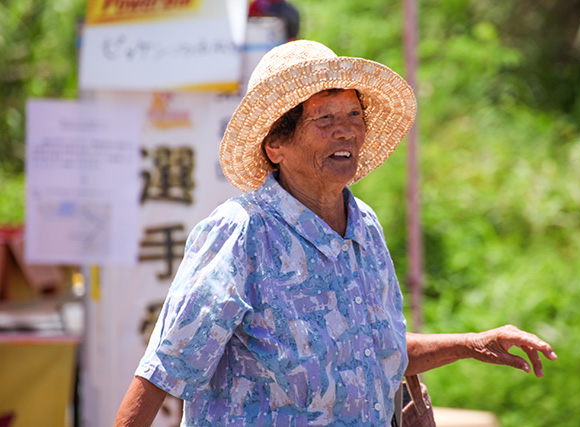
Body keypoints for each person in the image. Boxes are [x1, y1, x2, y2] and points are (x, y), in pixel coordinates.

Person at [114, 40, 556, 426]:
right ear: (276, 145)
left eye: (353, 113)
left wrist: (474, 344)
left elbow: (372, 350)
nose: (346, 128)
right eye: (323, 117)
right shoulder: (242, 232)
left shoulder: (364, 227)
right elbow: (163, 370)